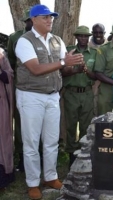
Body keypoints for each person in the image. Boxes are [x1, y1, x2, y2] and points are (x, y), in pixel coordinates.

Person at [14, 4, 84, 199]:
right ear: (33, 19)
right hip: (31, 96)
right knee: (31, 142)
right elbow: (35, 69)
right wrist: (64, 62)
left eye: (51, 17)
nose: (49, 20)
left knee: (52, 141)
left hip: (53, 96)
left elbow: (62, 68)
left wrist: (75, 65)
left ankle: (51, 177)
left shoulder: (57, 41)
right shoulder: (24, 41)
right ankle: (32, 183)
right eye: (45, 17)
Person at [62, 26, 97, 168]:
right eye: (80, 36)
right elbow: (61, 72)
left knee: (85, 127)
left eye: (85, 36)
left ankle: (84, 157)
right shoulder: (69, 51)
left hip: (87, 93)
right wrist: (74, 70)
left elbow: (96, 75)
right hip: (71, 93)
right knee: (70, 126)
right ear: (76, 37)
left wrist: (86, 71)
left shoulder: (94, 53)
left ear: (88, 37)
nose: (83, 38)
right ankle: (71, 157)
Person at [6, 8, 33, 172]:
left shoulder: (44, 38)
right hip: (21, 85)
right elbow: (10, 60)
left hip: (39, 86)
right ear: (26, 21)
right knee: (21, 121)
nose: (31, 23)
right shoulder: (15, 37)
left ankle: (39, 157)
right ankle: (21, 158)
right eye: (29, 20)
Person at [0, 47, 15, 191]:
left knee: (2, 137)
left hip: (1, 103)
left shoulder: (1, 54)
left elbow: (9, 76)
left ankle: (3, 174)